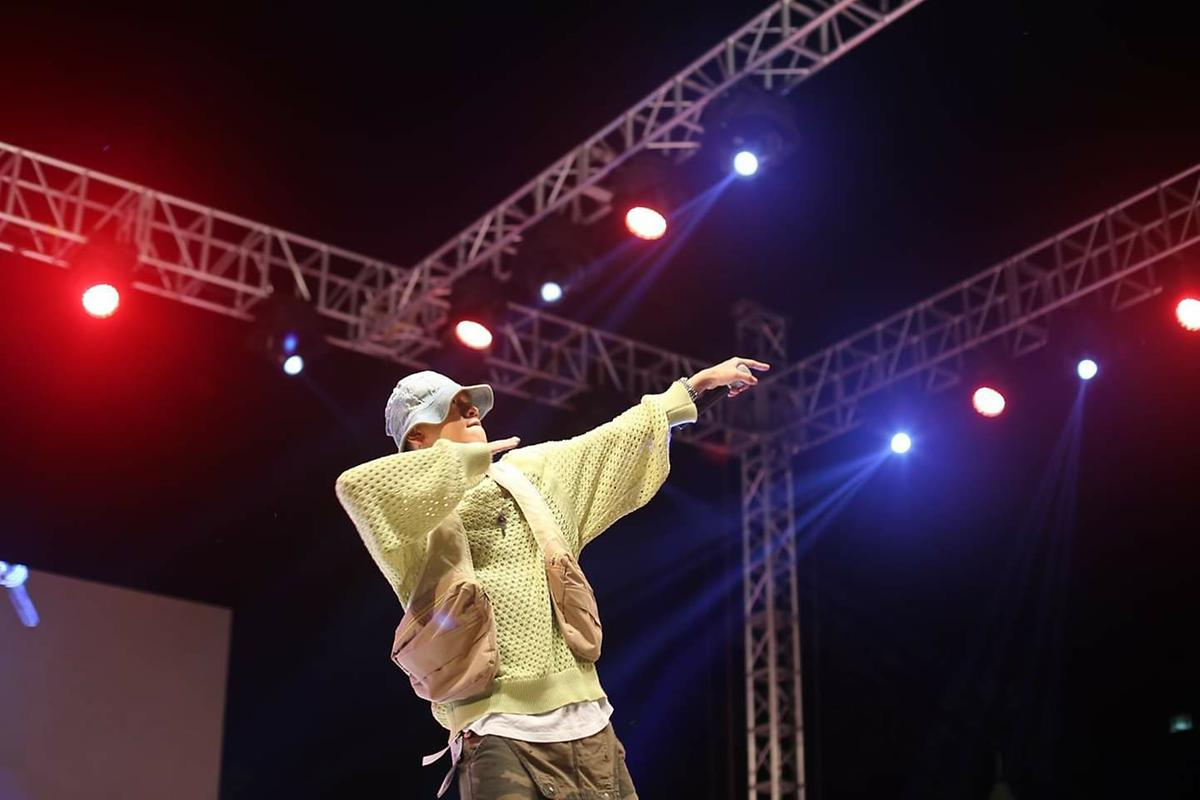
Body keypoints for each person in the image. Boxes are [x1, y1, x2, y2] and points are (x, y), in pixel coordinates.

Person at [335, 357, 769, 799]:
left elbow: (612, 441)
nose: (473, 411)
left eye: (471, 403)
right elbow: (358, 489)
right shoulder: (410, 524)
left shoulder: (528, 473)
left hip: (590, 725)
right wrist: (461, 461)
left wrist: (693, 389)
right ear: (417, 436)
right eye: (453, 406)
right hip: (496, 734)